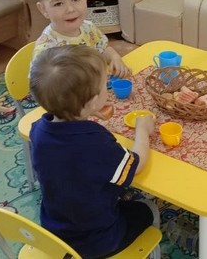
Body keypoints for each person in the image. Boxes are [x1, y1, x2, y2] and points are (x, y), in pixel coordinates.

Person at [29, 44, 158, 258]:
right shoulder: (95, 141)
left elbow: (69, 158)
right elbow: (135, 165)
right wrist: (142, 131)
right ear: (92, 101)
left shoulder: (38, 129)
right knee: (148, 208)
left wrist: (83, 112)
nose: (107, 87)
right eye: (105, 85)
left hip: (55, 231)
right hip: (97, 241)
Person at [31, 0, 130, 77]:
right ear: (44, 9)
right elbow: (41, 84)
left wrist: (115, 58)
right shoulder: (46, 49)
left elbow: (103, 48)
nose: (70, 9)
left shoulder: (88, 28)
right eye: (58, 4)